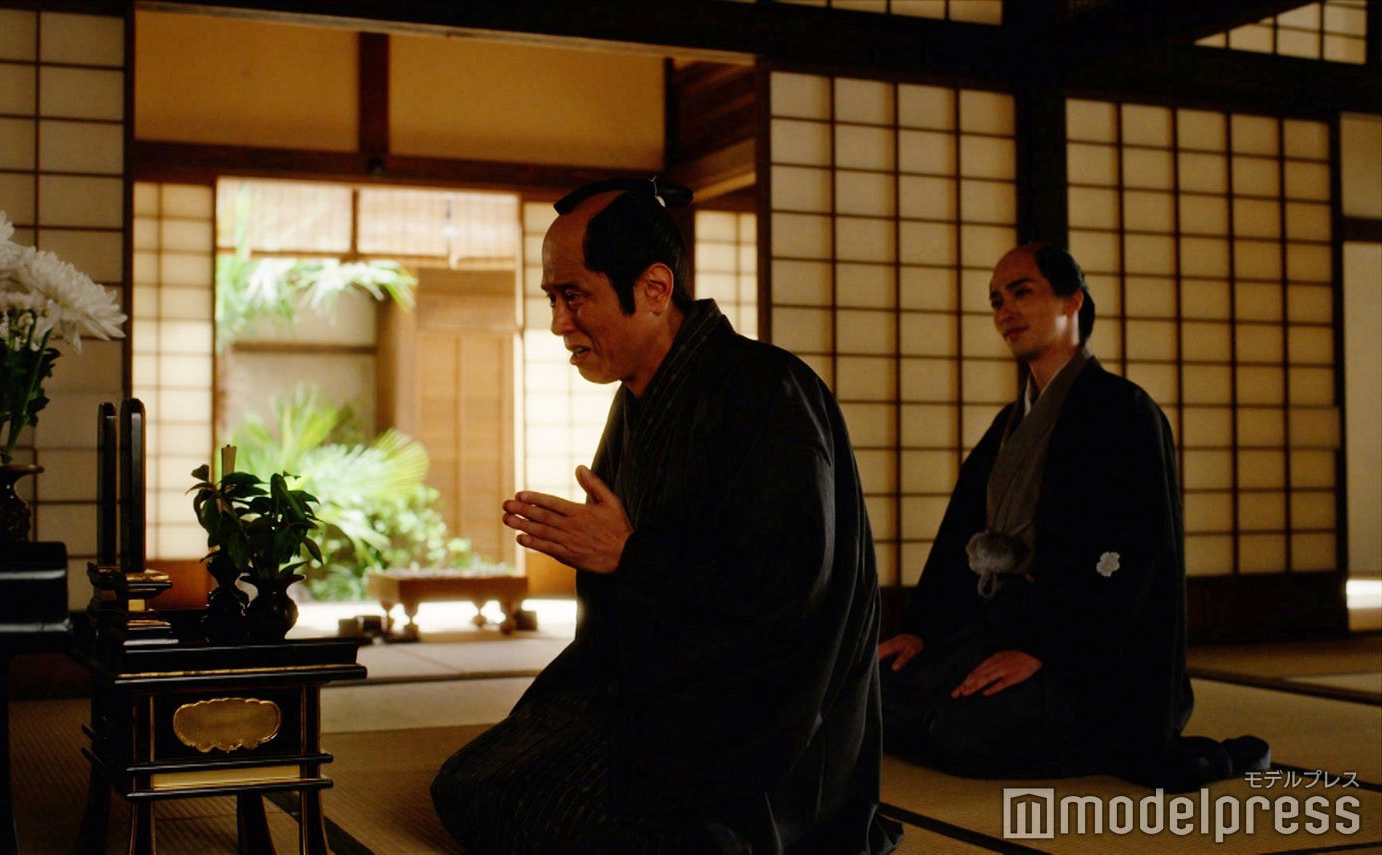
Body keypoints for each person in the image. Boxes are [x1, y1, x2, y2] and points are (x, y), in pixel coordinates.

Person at [431, 178, 900, 854]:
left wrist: (630, 554)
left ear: (653, 288)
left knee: (572, 814)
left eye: (574, 296)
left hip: (760, 715)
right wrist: (603, 557)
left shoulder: (768, 390)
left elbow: (793, 586)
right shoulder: (639, 397)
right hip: (662, 693)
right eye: (552, 298)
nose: (559, 323)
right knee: (470, 783)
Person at [877, 242, 1268, 792]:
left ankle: (1085, 729)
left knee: (960, 731)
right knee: (877, 694)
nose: (1005, 311)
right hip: (995, 625)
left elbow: (1136, 556)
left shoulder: (1124, 413)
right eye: (996, 301)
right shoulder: (1007, 426)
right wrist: (921, 632)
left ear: (1072, 301)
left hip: (1083, 646)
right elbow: (956, 539)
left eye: (1021, 292)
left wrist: (1044, 649)